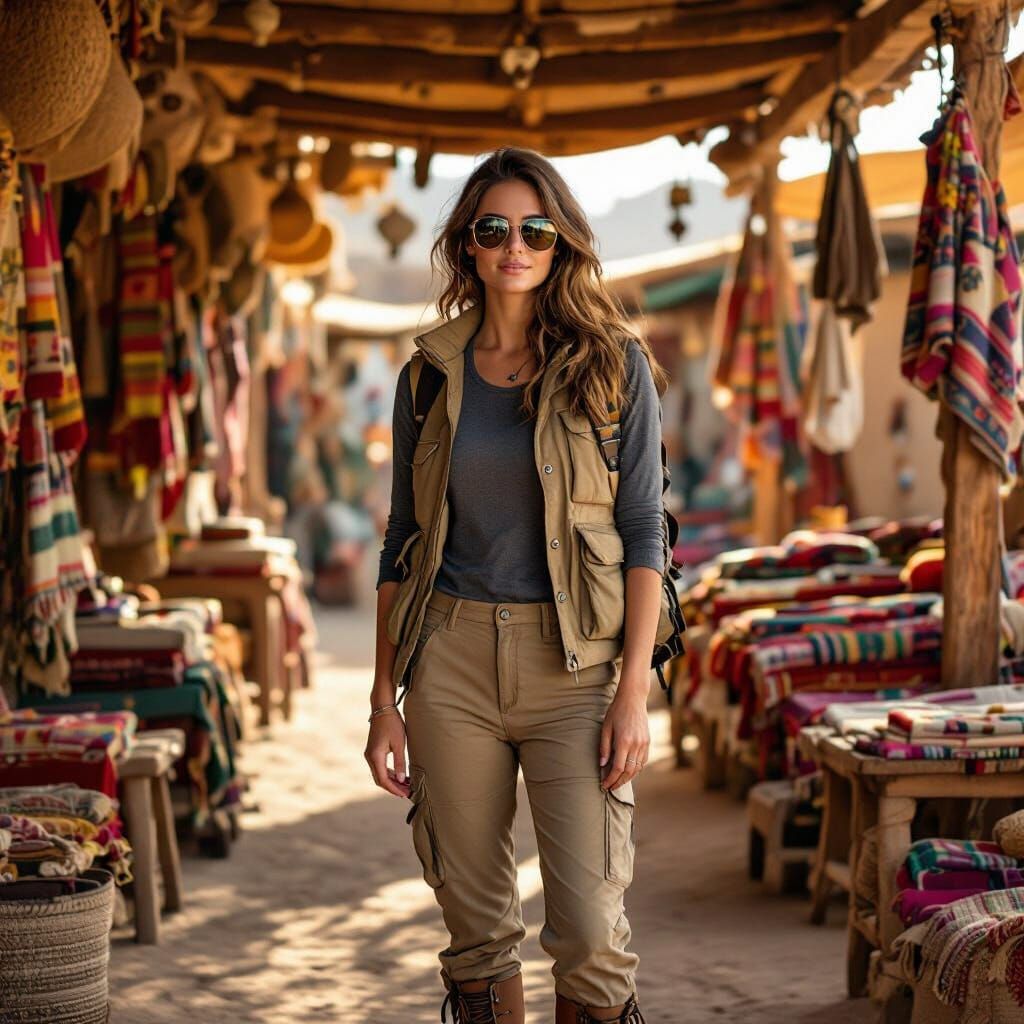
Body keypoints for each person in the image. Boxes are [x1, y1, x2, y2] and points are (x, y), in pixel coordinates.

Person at [366, 147, 669, 1024]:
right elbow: (402, 542)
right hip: (449, 661)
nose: (515, 246)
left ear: (560, 241)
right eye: (493, 228)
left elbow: (644, 530)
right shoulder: (426, 374)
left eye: (535, 229)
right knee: (475, 929)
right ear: (468, 244)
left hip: (573, 669)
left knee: (589, 931)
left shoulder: (612, 364)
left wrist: (633, 692)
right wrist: (386, 701)